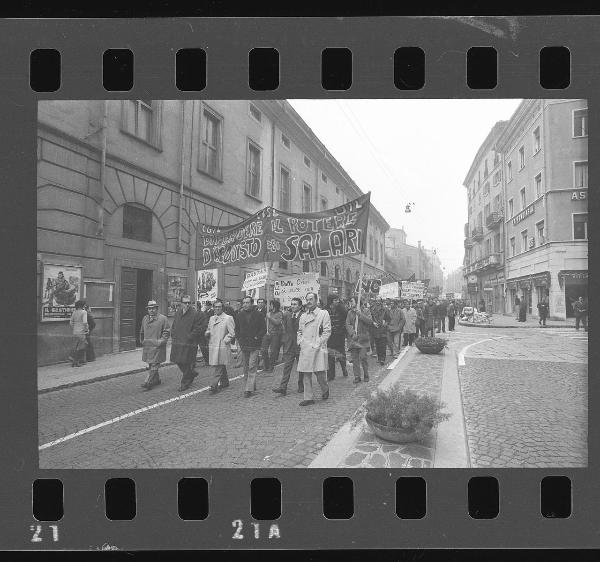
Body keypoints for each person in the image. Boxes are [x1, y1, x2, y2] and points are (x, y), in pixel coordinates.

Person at [297, 292, 331, 406]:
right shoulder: (303, 316)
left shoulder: (323, 313)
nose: (309, 302)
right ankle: (308, 397)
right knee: (306, 374)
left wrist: (318, 343)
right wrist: (300, 342)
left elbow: (327, 331)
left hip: (318, 348)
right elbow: (300, 331)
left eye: (311, 299)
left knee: (320, 373)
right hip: (305, 348)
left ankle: (325, 389)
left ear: (316, 300)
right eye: (307, 299)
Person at [170, 295, 204, 392]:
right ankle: (191, 373)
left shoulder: (195, 313)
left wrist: (190, 337)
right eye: (185, 302)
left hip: (189, 343)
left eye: (189, 302)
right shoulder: (178, 312)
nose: (187, 304)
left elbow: (198, 328)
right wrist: (173, 334)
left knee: (185, 361)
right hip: (177, 341)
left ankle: (184, 383)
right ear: (181, 304)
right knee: (177, 360)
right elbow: (174, 324)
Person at [235, 296, 267, 397]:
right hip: (244, 344)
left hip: (255, 344)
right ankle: (250, 385)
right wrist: (239, 339)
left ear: (252, 303)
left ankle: (248, 389)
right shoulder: (239, 315)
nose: (245, 304)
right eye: (244, 302)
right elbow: (237, 329)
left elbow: (263, 329)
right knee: (246, 367)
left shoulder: (259, 315)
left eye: (247, 303)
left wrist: (257, 337)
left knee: (252, 365)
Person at [273, 297, 304, 395]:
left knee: (301, 367)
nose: (293, 306)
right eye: (292, 304)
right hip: (289, 345)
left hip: (300, 346)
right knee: (287, 367)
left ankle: (301, 385)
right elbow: (284, 329)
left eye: (295, 304)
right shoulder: (287, 315)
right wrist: (285, 341)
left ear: (300, 306)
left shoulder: (304, 315)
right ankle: (283, 387)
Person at [205, 299, 236, 394]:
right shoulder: (211, 318)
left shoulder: (228, 318)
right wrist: (207, 333)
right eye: (216, 307)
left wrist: (225, 341)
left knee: (217, 365)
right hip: (213, 345)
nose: (217, 308)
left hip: (221, 345)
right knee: (220, 364)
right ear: (213, 308)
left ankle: (214, 385)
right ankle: (225, 382)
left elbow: (232, 333)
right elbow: (209, 329)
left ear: (222, 308)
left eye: (219, 307)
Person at [139, 300, 170, 390]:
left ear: (157, 309)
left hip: (157, 346)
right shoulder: (145, 319)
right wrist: (142, 341)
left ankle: (148, 382)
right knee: (150, 363)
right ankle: (156, 379)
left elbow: (166, 332)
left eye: (153, 308)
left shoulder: (163, 318)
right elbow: (141, 331)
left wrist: (161, 342)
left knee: (154, 364)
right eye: (149, 309)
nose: (151, 310)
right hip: (148, 345)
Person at [346, 297, 374, 383]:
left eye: (352, 300)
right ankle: (357, 376)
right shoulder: (350, 312)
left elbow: (370, 321)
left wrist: (360, 315)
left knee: (363, 357)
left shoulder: (366, 310)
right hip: (354, 339)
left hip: (363, 339)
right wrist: (352, 333)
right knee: (355, 359)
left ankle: (366, 374)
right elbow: (347, 324)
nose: (350, 302)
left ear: (357, 302)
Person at [326, 294, 349, 380]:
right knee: (330, 356)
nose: (337, 301)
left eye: (337, 300)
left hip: (339, 335)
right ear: (331, 301)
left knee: (341, 354)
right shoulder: (325, 310)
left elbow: (346, 320)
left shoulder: (342, 309)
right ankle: (331, 375)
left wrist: (342, 329)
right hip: (330, 336)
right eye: (335, 300)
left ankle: (344, 368)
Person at [68, 300, 89, 367]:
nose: (85, 306)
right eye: (84, 305)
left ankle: (74, 360)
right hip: (81, 332)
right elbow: (85, 322)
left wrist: (74, 328)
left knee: (78, 346)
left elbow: (71, 322)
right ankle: (75, 359)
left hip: (75, 332)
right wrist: (86, 330)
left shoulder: (74, 312)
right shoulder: (84, 312)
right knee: (83, 346)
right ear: (82, 305)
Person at [264, 299, 283, 372]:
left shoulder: (279, 313)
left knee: (273, 351)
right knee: (263, 350)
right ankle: (266, 365)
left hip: (275, 334)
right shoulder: (269, 313)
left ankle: (271, 367)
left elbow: (277, 322)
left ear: (274, 306)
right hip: (267, 334)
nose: (269, 306)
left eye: (271, 305)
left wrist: (269, 317)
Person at [371, 299, 391, 365]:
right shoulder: (373, 310)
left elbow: (389, 319)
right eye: (377, 302)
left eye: (379, 302)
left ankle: (383, 359)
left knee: (383, 345)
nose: (378, 303)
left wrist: (386, 323)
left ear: (381, 303)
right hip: (376, 330)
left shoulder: (385, 310)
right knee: (377, 345)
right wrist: (373, 323)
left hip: (383, 330)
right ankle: (379, 358)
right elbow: (371, 319)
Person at [198, 300, 213, 365]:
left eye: (207, 305)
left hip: (206, 331)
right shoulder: (204, 312)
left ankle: (208, 360)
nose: (206, 307)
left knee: (205, 346)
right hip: (200, 332)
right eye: (206, 305)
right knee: (203, 347)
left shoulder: (212, 312)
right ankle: (207, 359)